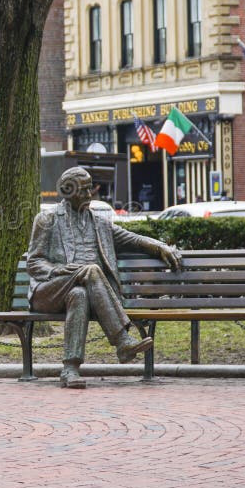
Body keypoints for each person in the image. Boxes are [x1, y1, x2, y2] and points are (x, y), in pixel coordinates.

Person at [26, 167, 182, 389]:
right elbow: (34, 262)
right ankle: (122, 341)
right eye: (85, 190)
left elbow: (133, 239)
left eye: (91, 189)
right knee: (90, 270)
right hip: (49, 290)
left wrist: (159, 246)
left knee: (79, 294)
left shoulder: (99, 223)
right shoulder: (47, 219)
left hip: (80, 294)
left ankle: (70, 370)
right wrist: (56, 270)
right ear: (69, 191)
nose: (90, 195)